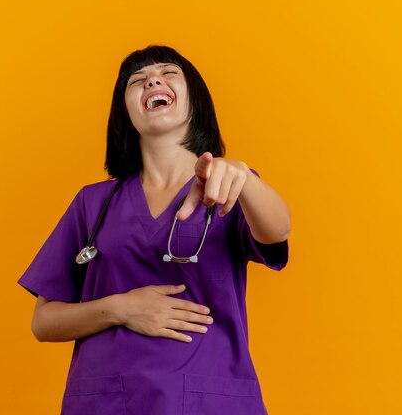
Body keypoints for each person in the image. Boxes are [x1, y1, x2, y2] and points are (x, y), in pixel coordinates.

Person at [17, 45, 291, 415]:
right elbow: (43, 322)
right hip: (108, 401)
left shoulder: (229, 186)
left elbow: (277, 232)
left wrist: (244, 177)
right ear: (126, 112)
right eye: (137, 81)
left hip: (206, 400)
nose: (153, 80)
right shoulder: (93, 203)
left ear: (195, 100)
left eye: (167, 73)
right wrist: (121, 308)